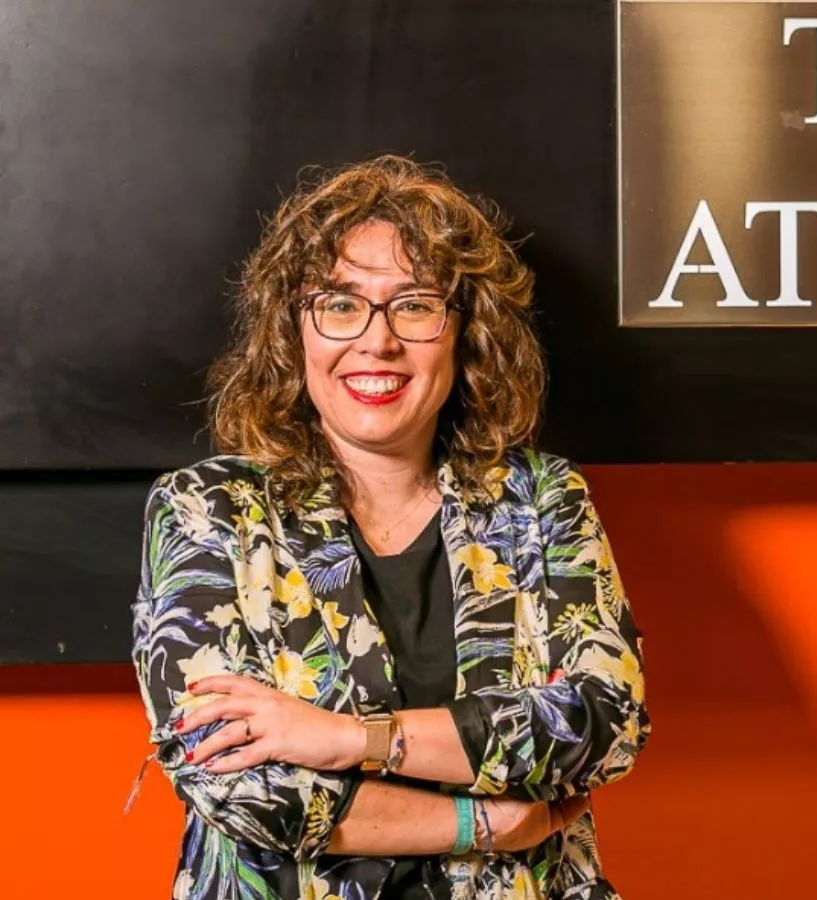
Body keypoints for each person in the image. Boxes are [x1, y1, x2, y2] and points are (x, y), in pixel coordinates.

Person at [130, 155, 649, 899]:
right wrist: (481, 823)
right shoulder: (207, 509)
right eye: (340, 305)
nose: (377, 341)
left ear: (467, 333)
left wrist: (343, 738)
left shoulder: (542, 500)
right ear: (293, 333)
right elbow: (240, 786)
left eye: (414, 305)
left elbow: (603, 724)